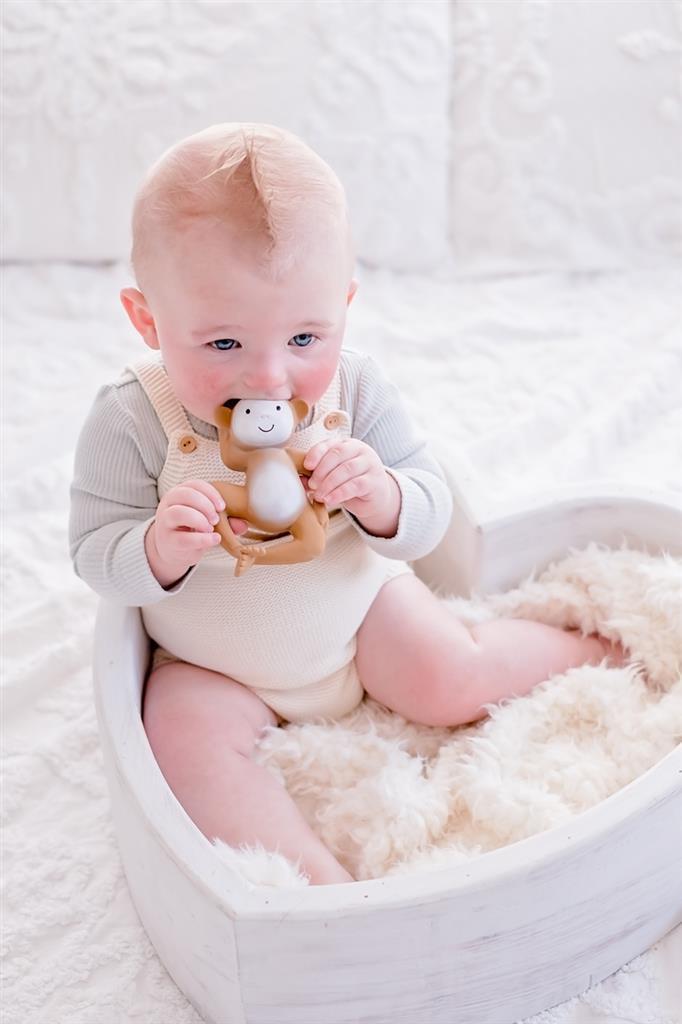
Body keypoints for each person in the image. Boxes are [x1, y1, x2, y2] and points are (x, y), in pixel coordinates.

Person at [69, 123, 624, 885]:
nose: (270, 377)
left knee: (445, 677)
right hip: (211, 664)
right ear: (147, 320)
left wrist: (382, 494)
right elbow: (94, 552)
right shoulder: (134, 417)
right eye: (223, 346)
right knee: (179, 737)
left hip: (360, 616)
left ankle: (604, 655)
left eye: (305, 335)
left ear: (345, 305)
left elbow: (427, 513)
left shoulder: (354, 388)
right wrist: (158, 550)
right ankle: (321, 894)